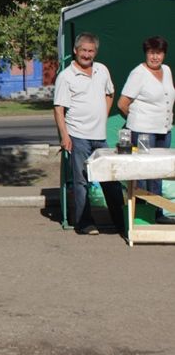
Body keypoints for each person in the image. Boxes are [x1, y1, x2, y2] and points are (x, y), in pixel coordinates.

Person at [53, 32, 125, 235]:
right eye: (83, 50)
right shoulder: (66, 77)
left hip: (99, 136)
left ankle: (122, 222)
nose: (86, 54)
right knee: (82, 181)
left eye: (90, 51)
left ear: (95, 52)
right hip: (78, 135)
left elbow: (110, 93)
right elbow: (59, 109)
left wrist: (103, 113)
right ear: (75, 51)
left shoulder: (102, 70)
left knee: (110, 179)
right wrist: (65, 136)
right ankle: (85, 223)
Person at [117, 35, 174, 224]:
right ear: (146, 53)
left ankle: (157, 213)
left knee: (157, 173)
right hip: (143, 131)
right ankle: (140, 214)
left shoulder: (166, 70)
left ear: (164, 54)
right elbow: (122, 104)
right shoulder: (138, 73)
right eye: (151, 53)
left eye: (159, 53)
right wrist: (136, 120)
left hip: (164, 130)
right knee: (142, 172)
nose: (155, 57)